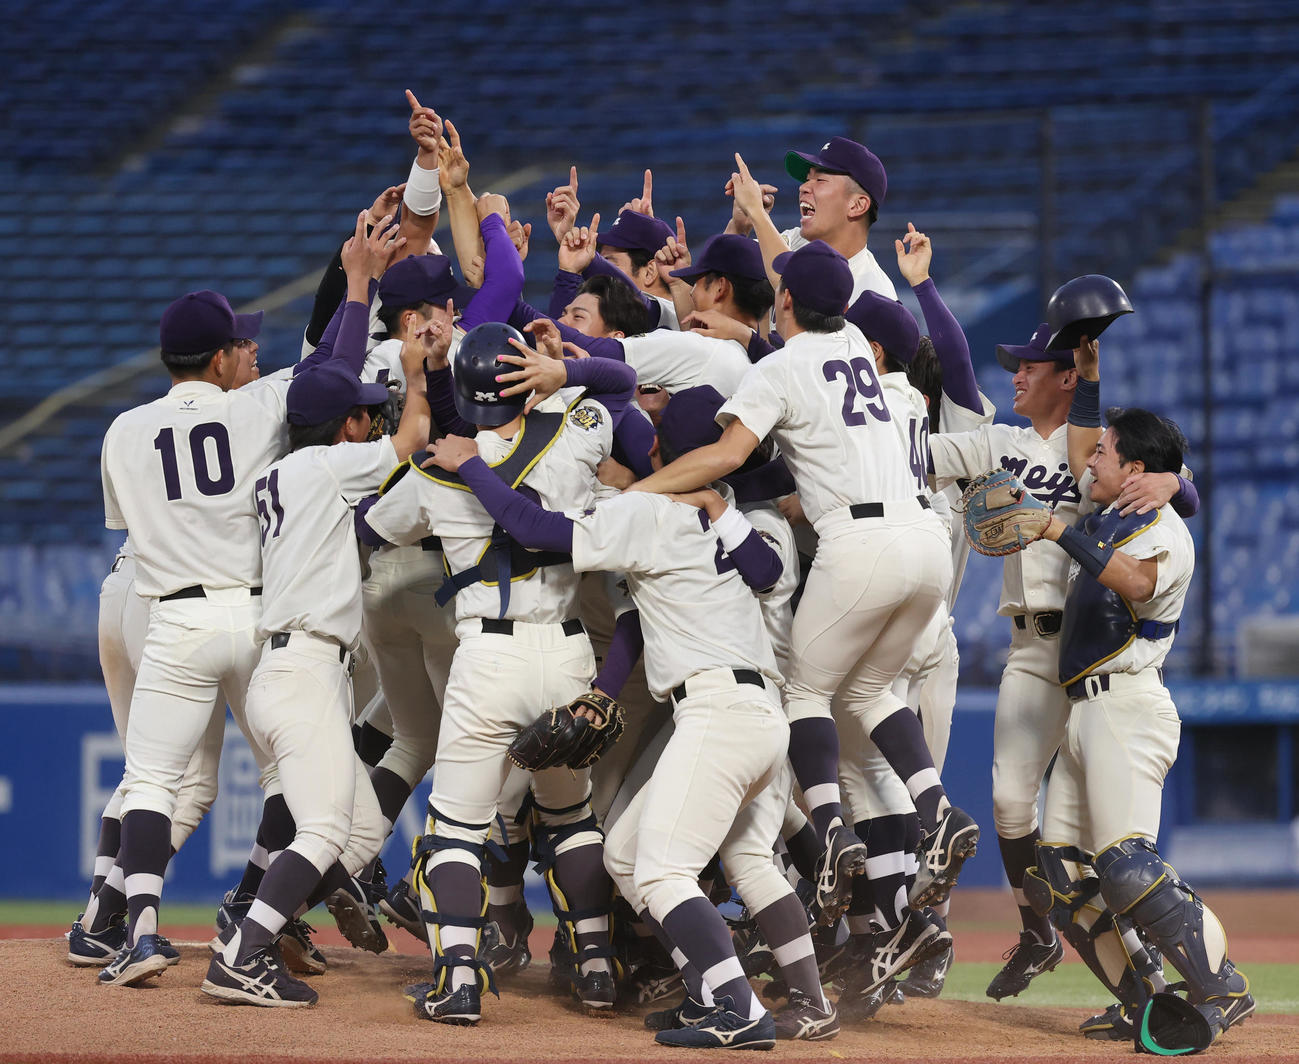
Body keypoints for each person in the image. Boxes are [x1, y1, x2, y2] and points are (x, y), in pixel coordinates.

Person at [625, 240, 972, 949]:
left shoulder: (780, 368)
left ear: (785, 301)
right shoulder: (860, 348)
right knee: (868, 690)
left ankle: (832, 830)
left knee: (805, 694)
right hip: (926, 543)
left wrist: (641, 492)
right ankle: (938, 808)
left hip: (858, 542)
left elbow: (727, 454)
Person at [422, 426, 812, 1049]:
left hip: (718, 711)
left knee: (663, 872)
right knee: (625, 855)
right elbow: (763, 576)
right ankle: (709, 991)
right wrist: (711, 504)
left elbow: (533, 528)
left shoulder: (647, 512)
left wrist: (471, 464)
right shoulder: (722, 514)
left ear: (664, 455)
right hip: (754, 707)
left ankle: (739, 1008)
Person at [95, 213, 402, 988]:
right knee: (289, 780)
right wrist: (357, 284)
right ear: (221, 357)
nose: (251, 351)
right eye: (242, 344)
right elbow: (336, 369)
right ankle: (265, 908)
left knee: (153, 779)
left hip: (176, 616)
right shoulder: (254, 406)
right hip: (261, 619)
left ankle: (138, 932)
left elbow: (127, 527)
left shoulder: (123, 431)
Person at [357, 324, 636, 1024]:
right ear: (525, 380)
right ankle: (596, 968)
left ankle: (458, 981)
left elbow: (371, 529)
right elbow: (619, 385)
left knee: (456, 827)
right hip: (567, 650)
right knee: (571, 816)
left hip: (488, 654)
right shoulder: (579, 433)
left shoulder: (435, 468)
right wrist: (559, 371)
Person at [927, 324, 1197, 1001]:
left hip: (1089, 648)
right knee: (1009, 802)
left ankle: (1160, 978)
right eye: (1014, 366)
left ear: (1067, 376)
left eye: (1029, 365)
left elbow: (1167, 485)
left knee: (1103, 849)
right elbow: (915, 454)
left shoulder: (1099, 452)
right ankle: (1038, 933)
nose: (1016, 375)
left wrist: (1176, 480)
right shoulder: (1001, 443)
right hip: (1029, 643)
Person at [203, 325, 434, 1007]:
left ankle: (258, 920)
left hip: (296, 670)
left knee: (355, 833)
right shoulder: (328, 467)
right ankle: (243, 951)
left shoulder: (277, 473)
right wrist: (418, 372)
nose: (368, 422)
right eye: (360, 413)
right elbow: (413, 439)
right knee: (327, 829)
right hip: (303, 668)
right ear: (343, 426)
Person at [1022, 406, 1253, 1048]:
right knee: (1060, 876)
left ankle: (1222, 986)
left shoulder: (1164, 529)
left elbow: (1137, 582)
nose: (1091, 460)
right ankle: (1148, 1002)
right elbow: (1086, 461)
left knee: (1124, 864)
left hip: (1128, 704)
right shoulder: (1110, 514)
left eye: (1105, 451)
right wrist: (1089, 377)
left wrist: (1055, 529)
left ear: (1135, 469)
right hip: (1084, 710)